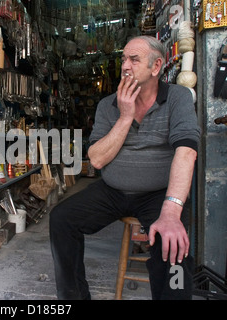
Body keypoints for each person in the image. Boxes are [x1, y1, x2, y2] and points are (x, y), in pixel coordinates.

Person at [49, 35, 201, 300]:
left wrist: (171, 210)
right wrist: (125, 116)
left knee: (172, 242)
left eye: (134, 59)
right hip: (113, 191)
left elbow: (187, 151)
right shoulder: (108, 105)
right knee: (62, 219)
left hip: (158, 193)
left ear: (156, 67)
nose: (125, 66)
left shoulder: (178, 99)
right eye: (123, 60)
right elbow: (96, 159)